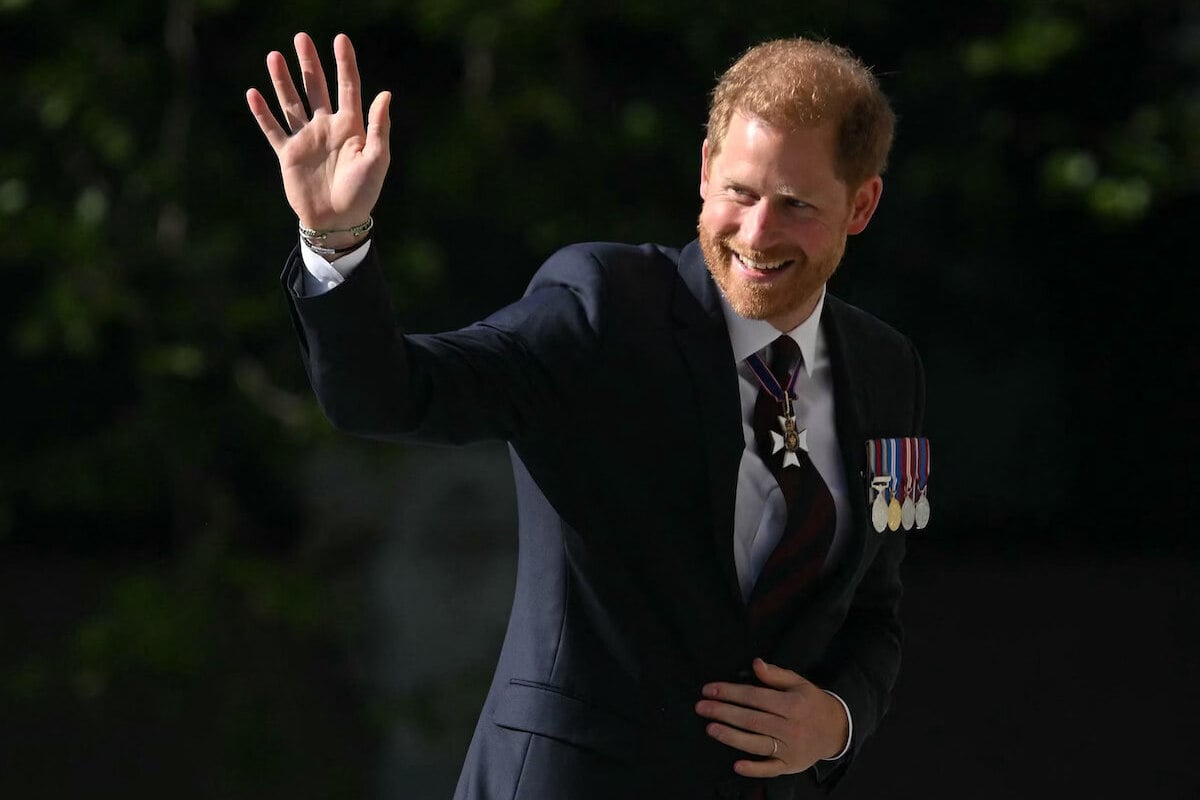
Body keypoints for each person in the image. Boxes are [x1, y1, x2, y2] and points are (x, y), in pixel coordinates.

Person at [247, 31, 925, 800]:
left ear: (861, 203)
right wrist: (335, 239)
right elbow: (393, 396)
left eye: (797, 205)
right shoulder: (602, 307)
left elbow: (876, 609)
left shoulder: (889, 372)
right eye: (740, 191)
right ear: (705, 171)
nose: (757, 233)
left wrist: (835, 721)